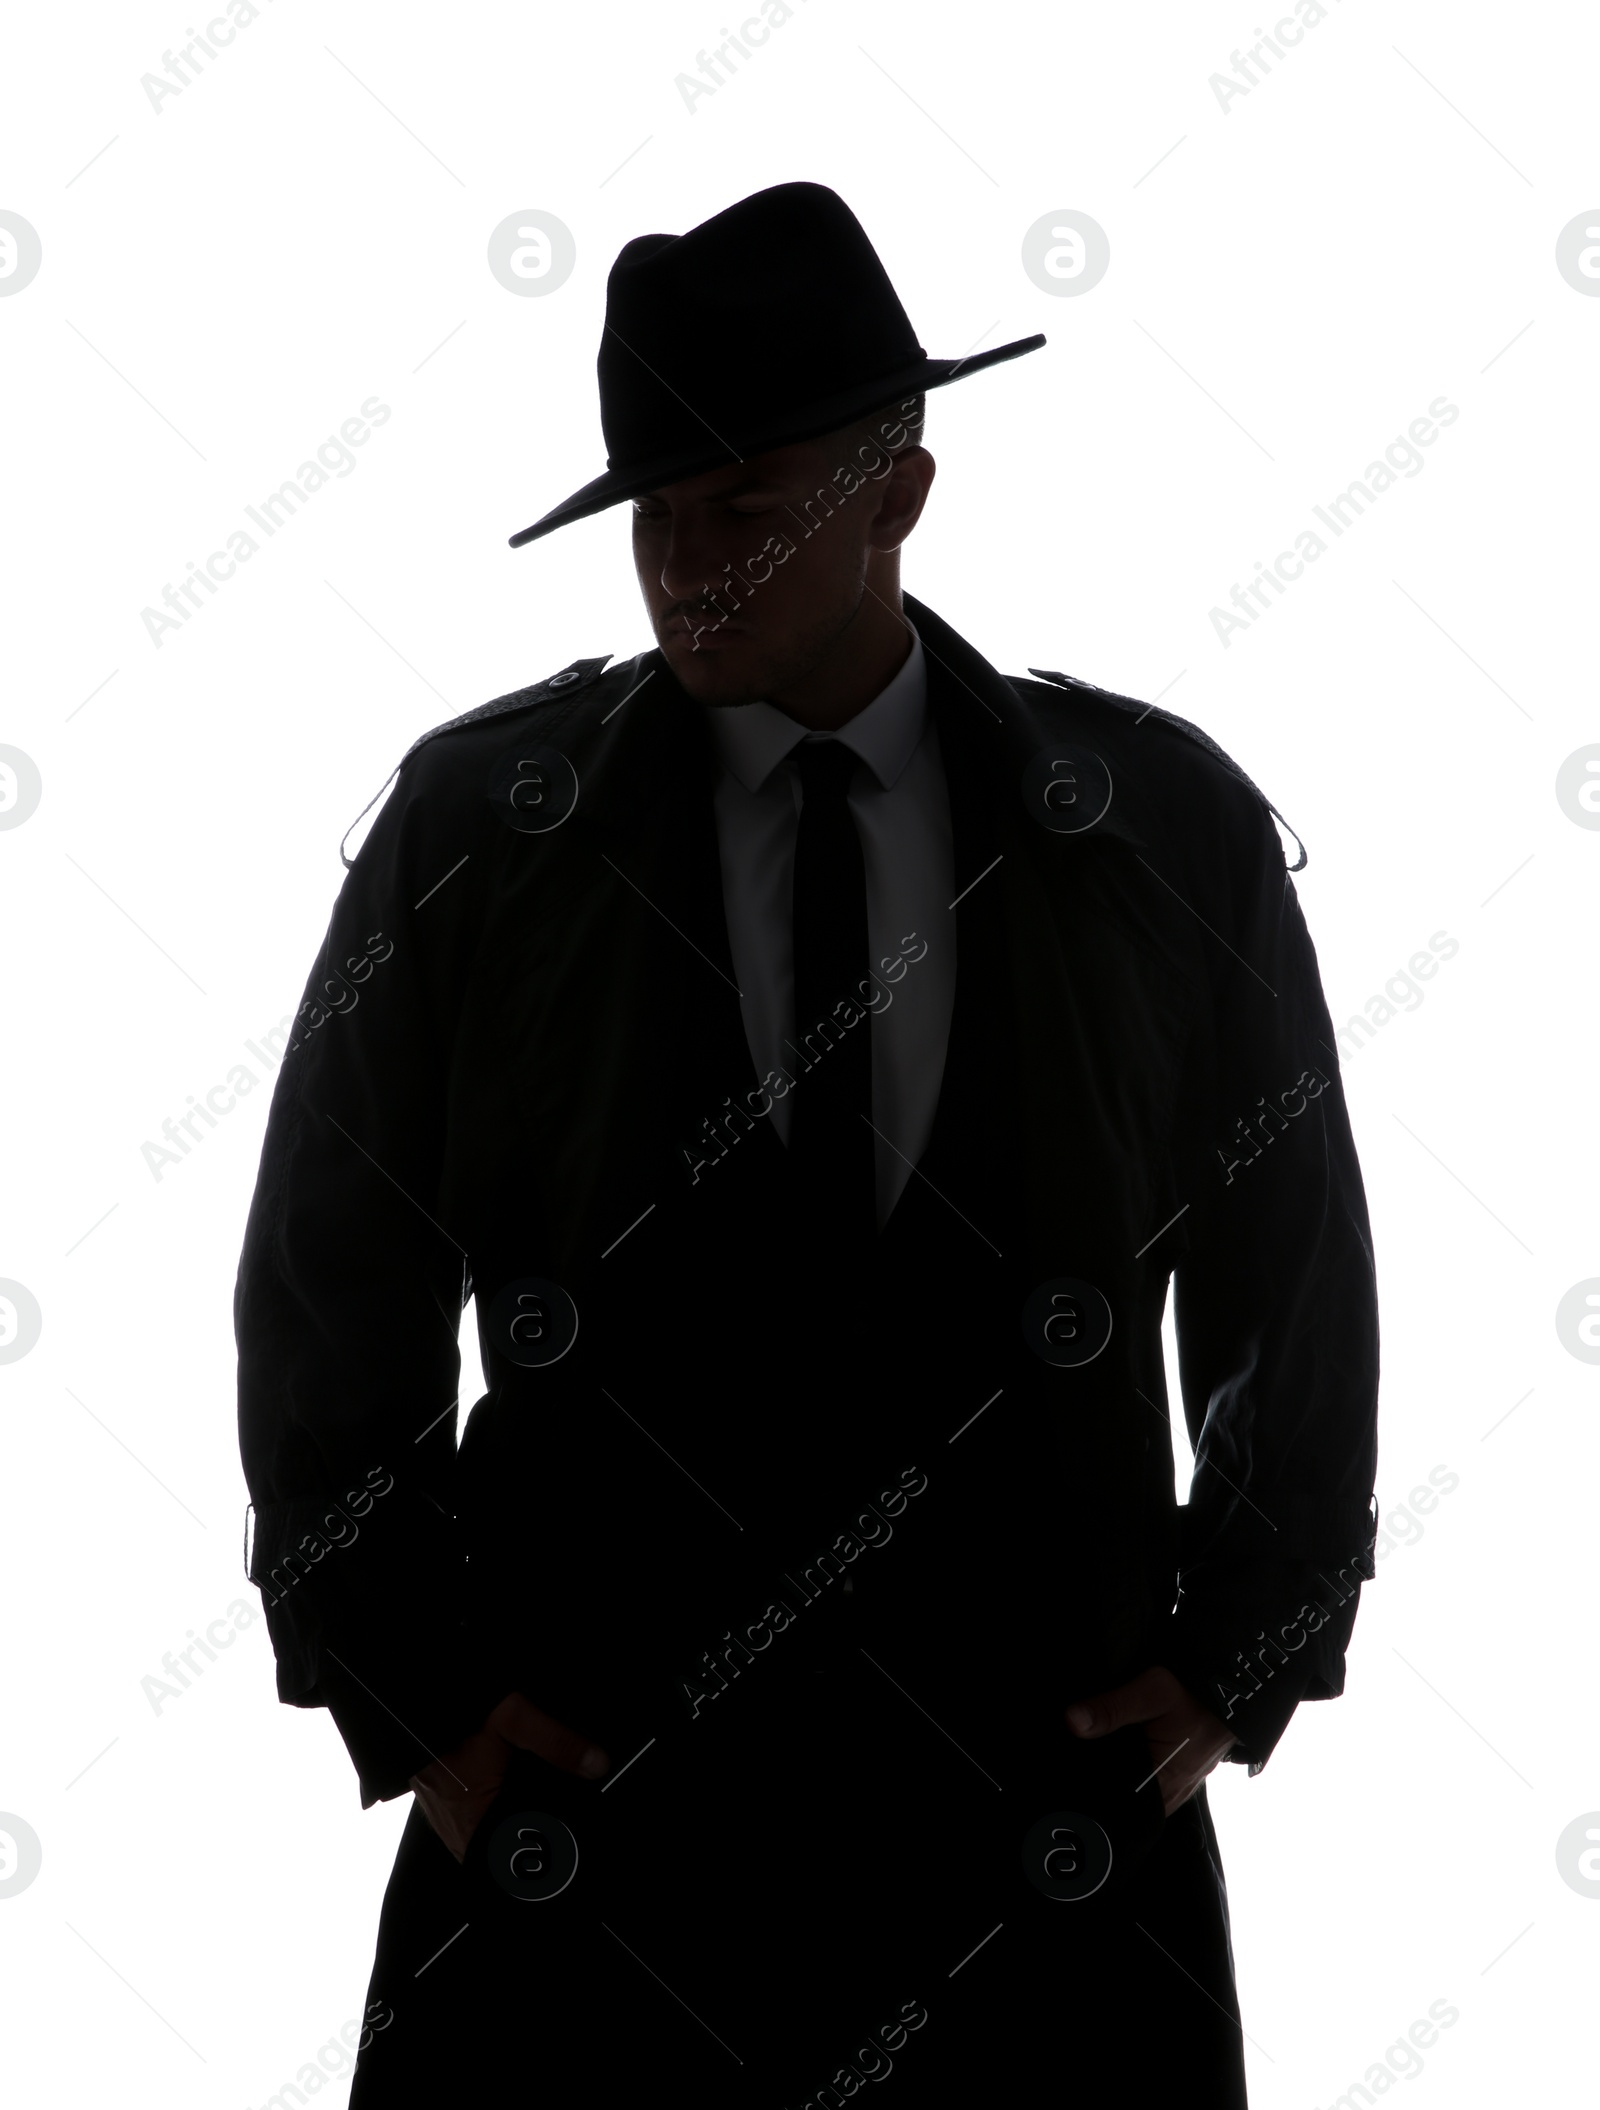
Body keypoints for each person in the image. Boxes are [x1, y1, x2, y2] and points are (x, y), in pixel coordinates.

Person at [235, 181, 1379, 2106]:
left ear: (900, 494)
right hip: (594, 1815)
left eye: (744, 514)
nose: (686, 567)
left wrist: (1247, 1641)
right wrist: (409, 1691)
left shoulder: (1159, 830)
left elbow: (1295, 1257)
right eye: (652, 520)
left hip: (1039, 1827)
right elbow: (325, 1284)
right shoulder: (480, 839)